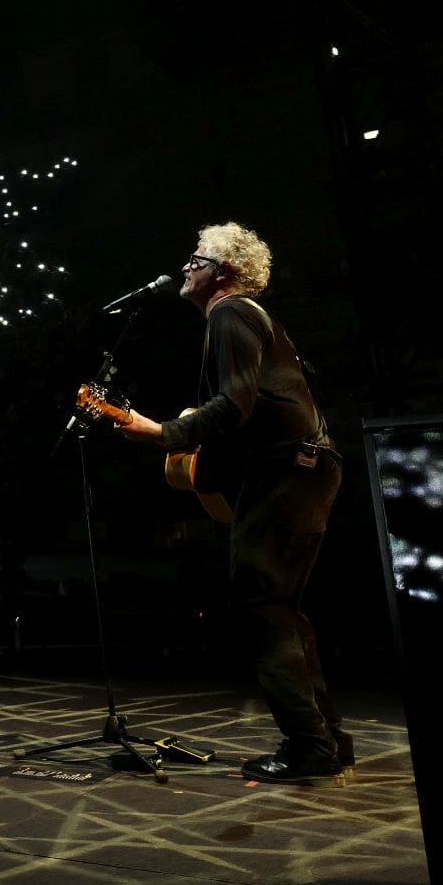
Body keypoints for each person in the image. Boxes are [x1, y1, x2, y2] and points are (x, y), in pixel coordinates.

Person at [113, 222, 350, 782]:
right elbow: (250, 407)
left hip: (291, 471)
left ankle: (309, 746)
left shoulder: (230, 313)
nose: (185, 266)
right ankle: (327, 740)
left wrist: (161, 430)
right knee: (281, 608)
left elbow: (235, 403)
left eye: (195, 258)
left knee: (264, 607)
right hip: (306, 468)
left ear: (222, 271)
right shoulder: (241, 318)